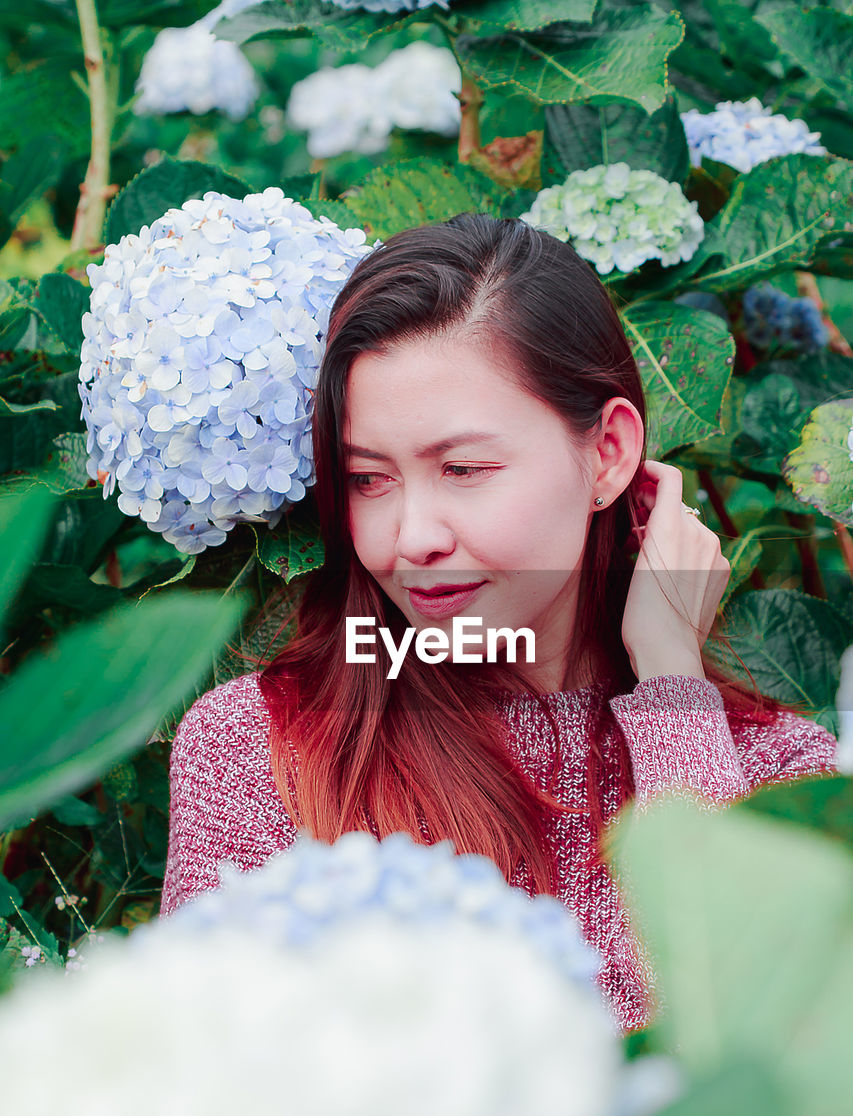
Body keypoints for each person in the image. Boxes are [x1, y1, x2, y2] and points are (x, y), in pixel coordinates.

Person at [161, 213, 839, 1032]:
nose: (411, 537)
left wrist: (670, 686)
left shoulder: (778, 770)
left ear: (609, 453)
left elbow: (752, 1058)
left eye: (463, 469)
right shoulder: (261, 750)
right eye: (367, 479)